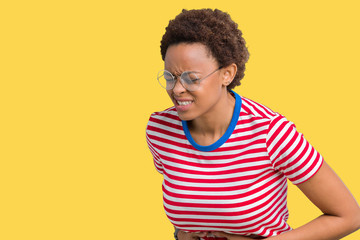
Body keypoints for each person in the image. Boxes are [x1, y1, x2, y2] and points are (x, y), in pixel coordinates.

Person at [146, 8, 360, 240]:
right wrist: (181, 234)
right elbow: (196, 205)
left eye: (191, 78)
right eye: (170, 77)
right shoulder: (160, 129)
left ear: (227, 74)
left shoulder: (271, 132)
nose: (177, 89)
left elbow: (349, 216)